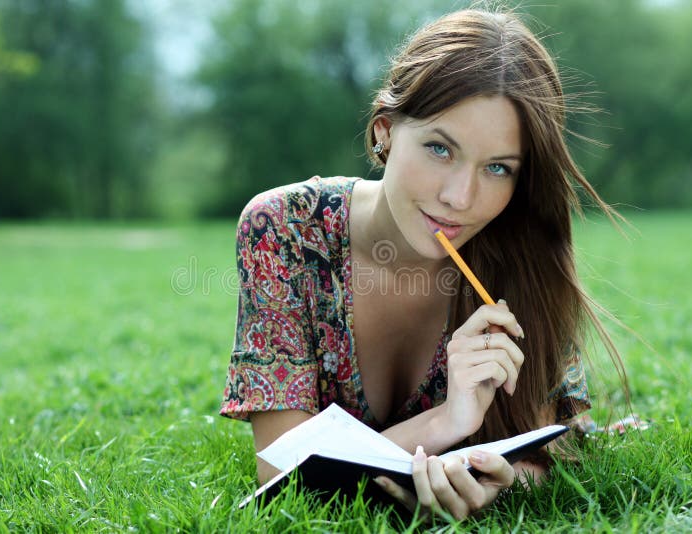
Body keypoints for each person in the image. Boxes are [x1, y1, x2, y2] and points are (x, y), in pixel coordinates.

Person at [219, 8, 624, 520]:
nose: (460, 197)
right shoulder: (286, 229)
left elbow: (538, 452)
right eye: (439, 148)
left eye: (498, 168)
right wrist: (440, 427)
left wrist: (497, 484)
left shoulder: (522, 253)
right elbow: (281, 472)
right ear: (385, 131)